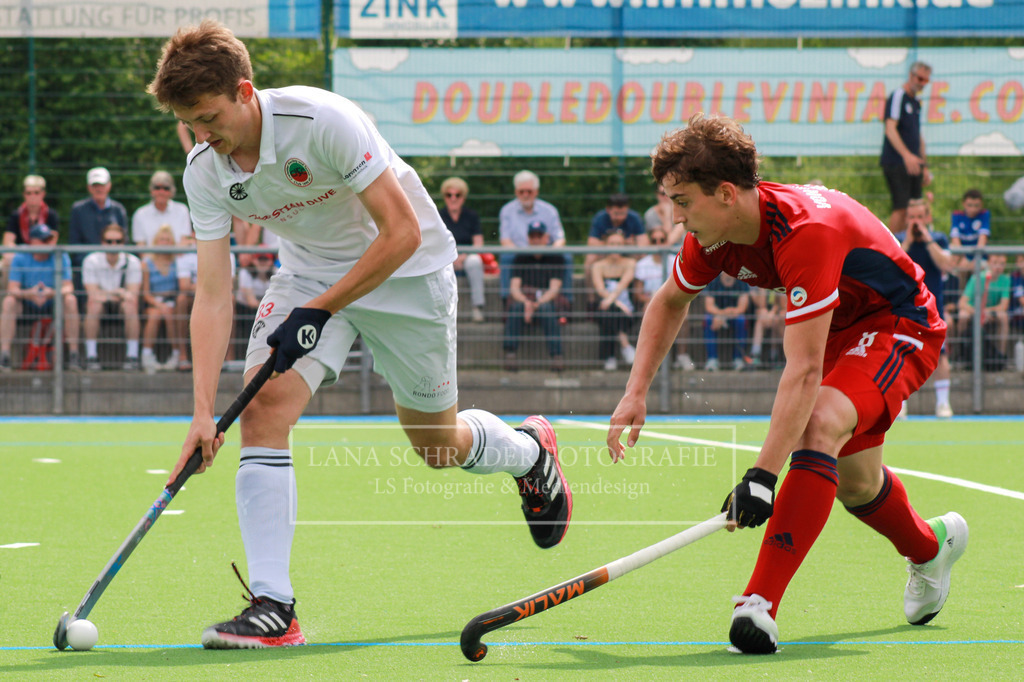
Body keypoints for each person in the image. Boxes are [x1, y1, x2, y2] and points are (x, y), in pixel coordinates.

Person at [147, 20, 572, 649]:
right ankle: (274, 607)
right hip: (311, 274)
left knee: (436, 447)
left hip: (407, 272)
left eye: (210, 117)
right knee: (263, 409)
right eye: (190, 124)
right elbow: (212, 292)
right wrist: (202, 412)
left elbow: (401, 231)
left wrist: (319, 310)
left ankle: (530, 453)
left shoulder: (323, 120)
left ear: (245, 91)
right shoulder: (204, 170)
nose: (204, 135)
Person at [606, 113, 966, 655]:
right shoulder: (714, 236)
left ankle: (758, 604)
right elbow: (670, 301)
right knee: (857, 485)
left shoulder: (805, 232)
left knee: (818, 424)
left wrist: (761, 476)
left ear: (725, 193)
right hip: (837, 327)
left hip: (898, 323)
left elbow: (802, 372)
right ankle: (931, 547)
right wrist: (635, 392)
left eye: (682, 201)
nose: (676, 217)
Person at [897, 199, 957, 417]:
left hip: (933, 309)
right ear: (906, 219)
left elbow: (946, 264)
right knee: (900, 353)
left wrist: (928, 239)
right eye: (912, 217)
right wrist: (908, 243)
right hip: (904, 306)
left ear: (928, 218)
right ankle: (899, 403)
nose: (916, 222)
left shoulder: (938, 239)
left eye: (920, 217)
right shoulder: (899, 240)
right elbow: (893, 266)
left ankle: (943, 404)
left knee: (941, 356)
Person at [0, 223, 80, 371]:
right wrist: (29, 294)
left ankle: (74, 355)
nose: (48, 243)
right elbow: (12, 288)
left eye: (49, 239)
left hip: (52, 302)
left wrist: (52, 293)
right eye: (44, 240)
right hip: (28, 302)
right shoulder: (20, 256)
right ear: (33, 242)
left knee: (71, 299)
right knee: (9, 301)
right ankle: (4, 355)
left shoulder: (59, 255)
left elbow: (69, 287)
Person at [498, 170, 570, 300]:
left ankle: (567, 302)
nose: (525, 195)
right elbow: (505, 240)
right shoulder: (507, 211)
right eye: (521, 191)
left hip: (545, 254)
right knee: (506, 258)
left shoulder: (549, 210)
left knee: (566, 257)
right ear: (516, 192)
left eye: (529, 191)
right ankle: (507, 301)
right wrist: (522, 254)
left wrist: (550, 253)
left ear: (536, 191)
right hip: (519, 254)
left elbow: (560, 239)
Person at [503, 221, 565, 372]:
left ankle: (556, 356)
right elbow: (514, 288)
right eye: (533, 236)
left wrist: (537, 303)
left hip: (546, 301)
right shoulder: (521, 257)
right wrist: (526, 302)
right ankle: (510, 354)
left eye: (539, 236)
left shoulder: (556, 258)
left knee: (546, 309)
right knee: (516, 308)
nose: (536, 240)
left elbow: (554, 289)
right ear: (528, 238)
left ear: (546, 238)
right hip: (525, 300)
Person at [880, 61, 933, 235]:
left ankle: (907, 245)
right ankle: (890, 246)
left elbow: (918, 135)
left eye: (926, 80)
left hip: (914, 164)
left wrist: (924, 165)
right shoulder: (898, 96)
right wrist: (906, 155)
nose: (922, 83)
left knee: (915, 208)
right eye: (920, 78)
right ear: (911, 75)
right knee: (901, 207)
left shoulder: (916, 102)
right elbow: (890, 129)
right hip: (896, 162)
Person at [81, 223, 142, 371]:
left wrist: (108, 295)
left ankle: (132, 356)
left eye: (118, 241)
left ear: (123, 242)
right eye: (109, 241)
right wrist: (117, 293)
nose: (113, 245)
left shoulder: (133, 261)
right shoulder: (91, 260)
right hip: (104, 302)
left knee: (130, 306)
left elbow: (133, 295)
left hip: (121, 303)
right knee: (93, 305)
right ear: (102, 243)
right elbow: (92, 294)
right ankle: (91, 356)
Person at [633, 227, 694, 370]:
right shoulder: (642, 264)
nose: (658, 243)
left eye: (662, 240)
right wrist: (649, 301)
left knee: (685, 317)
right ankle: (649, 359)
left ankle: (681, 355)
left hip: (673, 299)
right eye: (654, 240)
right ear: (650, 243)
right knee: (647, 313)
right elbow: (638, 293)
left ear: (667, 241)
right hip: (650, 301)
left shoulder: (677, 260)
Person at [438, 176, 486, 322]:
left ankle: (477, 307)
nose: (453, 198)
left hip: (467, 256)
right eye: (449, 195)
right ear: (444, 197)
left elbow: (478, 243)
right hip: (445, 257)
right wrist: (451, 258)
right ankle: (442, 311)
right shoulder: (438, 216)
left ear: (463, 197)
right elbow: (436, 243)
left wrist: (463, 257)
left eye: (457, 195)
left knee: (475, 261)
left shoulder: (471, 216)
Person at [584, 193, 648, 296]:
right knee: (590, 258)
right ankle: (591, 297)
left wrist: (627, 245)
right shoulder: (600, 218)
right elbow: (592, 242)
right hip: (606, 254)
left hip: (627, 254)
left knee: (643, 257)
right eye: (616, 213)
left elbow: (644, 243)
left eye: (623, 213)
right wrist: (613, 244)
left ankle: (637, 296)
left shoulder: (634, 218)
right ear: (608, 210)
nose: (620, 217)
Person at [591, 229, 636, 371]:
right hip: (611, 306)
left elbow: (622, 285)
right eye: (612, 243)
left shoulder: (630, 263)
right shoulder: (598, 266)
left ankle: (609, 357)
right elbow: (600, 289)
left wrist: (614, 302)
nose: (615, 247)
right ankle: (625, 346)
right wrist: (618, 304)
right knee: (609, 311)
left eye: (619, 243)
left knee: (609, 313)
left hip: (626, 309)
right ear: (605, 245)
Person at [956, 253, 1011, 369]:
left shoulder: (1005, 280)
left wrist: (986, 312)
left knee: (1003, 317)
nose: (998, 267)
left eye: (1002, 264)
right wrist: (978, 313)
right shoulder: (977, 278)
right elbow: (962, 303)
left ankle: (1000, 357)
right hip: (973, 311)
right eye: (995, 263)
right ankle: (960, 354)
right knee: (963, 316)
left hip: (990, 312)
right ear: (989, 263)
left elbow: (1003, 306)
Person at [140, 225, 181, 373]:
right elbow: (146, 293)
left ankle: (175, 355)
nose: (165, 242)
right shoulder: (147, 263)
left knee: (170, 313)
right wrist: (158, 304)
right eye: (162, 239)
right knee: (155, 315)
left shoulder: (177, 262)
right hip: (153, 302)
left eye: (168, 240)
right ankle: (146, 355)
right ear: (156, 242)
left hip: (172, 301)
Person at [69, 167, 129, 264]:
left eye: (102, 185)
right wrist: (92, 262)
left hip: (113, 265)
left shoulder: (118, 209)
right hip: (85, 265)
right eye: (95, 186)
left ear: (109, 186)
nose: (99, 189)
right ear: (89, 187)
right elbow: (74, 242)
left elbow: (124, 241)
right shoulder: (78, 210)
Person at [4, 175, 60, 279]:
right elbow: (8, 242)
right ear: (24, 194)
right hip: (21, 256)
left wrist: (37, 251)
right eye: (28, 193)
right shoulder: (16, 215)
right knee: (7, 260)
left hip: (43, 255)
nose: (32, 196)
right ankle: (11, 289)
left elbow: (52, 241)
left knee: (60, 259)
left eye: (36, 192)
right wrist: (23, 253)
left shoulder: (51, 214)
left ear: (43, 194)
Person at [702, 273, 751, 372]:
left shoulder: (742, 282)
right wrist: (721, 315)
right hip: (716, 316)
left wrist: (724, 315)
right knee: (707, 320)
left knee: (741, 320)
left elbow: (742, 308)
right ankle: (712, 359)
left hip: (734, 316)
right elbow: (709, 306)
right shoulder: (713, 280)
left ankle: (738, 359)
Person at [131, 171, 193, 246]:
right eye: (157, 188)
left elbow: (184, 242)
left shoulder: (182, 210)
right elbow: (141, 246)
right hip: (149, 254)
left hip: (177, 253)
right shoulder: (140, 214)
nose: (161, 192)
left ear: (172, 191)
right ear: (151, 190)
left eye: (166, 188)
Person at [949, 188, 990, 271]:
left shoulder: (984, 214)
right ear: (963, 204)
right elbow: (955, 240)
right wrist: (963, 259)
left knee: (981, 267)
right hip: (962, 257)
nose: (973, 209)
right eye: (969, 205)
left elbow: (982, 241)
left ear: (981, 204)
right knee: (957, 263)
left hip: (979, 257)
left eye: (976, 206)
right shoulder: (956, 215)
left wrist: (974, 261)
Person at [748, 289, 784, 369]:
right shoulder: (763, 288)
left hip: (777, 315)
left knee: (776, 322)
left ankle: (774, 355)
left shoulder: (778, 287)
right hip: (766, 316)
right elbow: (762, 306)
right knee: (760, 321)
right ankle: (755, 353)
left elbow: (780, 305)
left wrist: (772, 313)